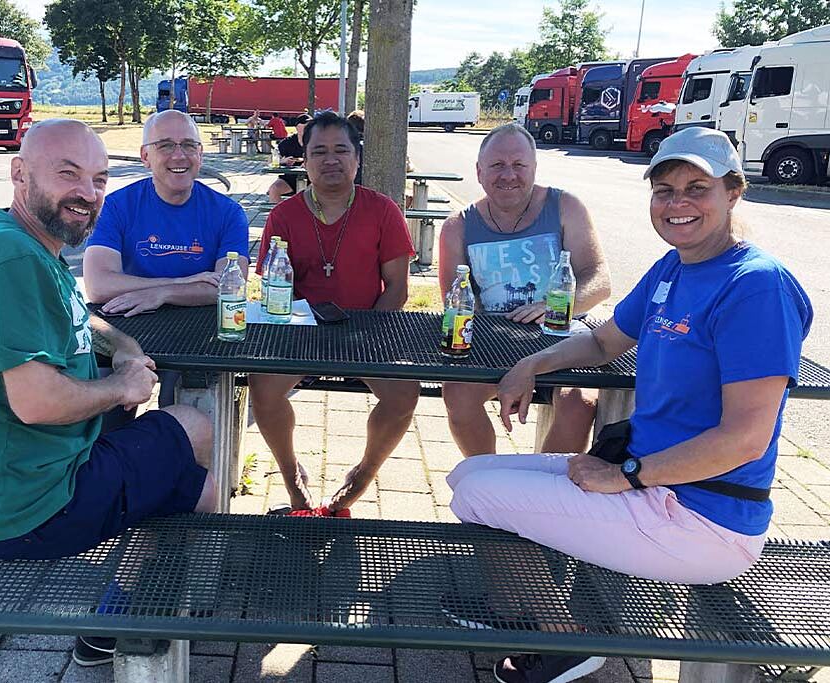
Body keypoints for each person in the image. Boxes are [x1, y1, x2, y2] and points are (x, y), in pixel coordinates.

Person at [447, 127, 812, 683]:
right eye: (664, 190)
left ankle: (567, 640)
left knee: (478, 494)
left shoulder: (756, 287)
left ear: (733, 193)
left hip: (704, 518)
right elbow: (603, 341)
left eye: (697, 188)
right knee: (468, 473)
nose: (677, 204)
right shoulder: (675, 267)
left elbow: (745, 439)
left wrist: (626, 476)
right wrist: (530, 364)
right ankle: (530, 611)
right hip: (655, 490)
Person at [0, 119, 217, 667]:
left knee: (188, 484)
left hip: (11, 486)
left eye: (99, 179)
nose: (87, 193)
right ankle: (134, 611)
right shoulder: (13, 259)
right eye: (68, 174)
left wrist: (127, 347)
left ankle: (121, 609)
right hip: (29, 507)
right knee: (195, 432)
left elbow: (82, 319)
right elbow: (37, 401)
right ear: (19, 173)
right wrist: (122, 386)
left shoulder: (25, 243)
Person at [251, 110, 420, 515]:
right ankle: (293, 480)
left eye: (341, 150)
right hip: (301, 331)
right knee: (263, 388)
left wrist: (366, 334)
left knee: (404, 395)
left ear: (357, 159)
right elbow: (276, 288)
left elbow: (397, 286)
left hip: (368, 329)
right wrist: (299, 330)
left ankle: (360, 479)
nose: (331, 160)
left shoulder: (382, 210)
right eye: (319, 151)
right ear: (303, 161)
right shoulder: (284, 215)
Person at [438, 123, 611, 457]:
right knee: (457, 394)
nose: (508, 175)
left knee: (580, 400)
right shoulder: (458, 225)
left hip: (561, 335)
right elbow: (453, 301)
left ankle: (542, 487)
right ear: (479, 171)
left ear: (534, 168)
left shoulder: (565, 206)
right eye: (497, 166)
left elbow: (599, 278)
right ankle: (489, 479)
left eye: (519, 165)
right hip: (493, 339)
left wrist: (557, 306)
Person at [83, 109, 249, 317]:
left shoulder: (229, 213)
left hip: (206, 330)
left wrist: (164, 293)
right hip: (130, 324)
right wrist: (180, 283)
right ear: (145, 156)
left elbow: (232, 287)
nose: (179, 156)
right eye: (165, 146)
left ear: (200, 155)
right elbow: (99, 286)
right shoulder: (116, 207)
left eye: (189, 145)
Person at [266, 113, 311, 203]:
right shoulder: (286, 143)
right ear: (297, 127)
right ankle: (279, 216)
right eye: (304, 124)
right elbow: (270, 160)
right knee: (274, 189)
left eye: (310, 124)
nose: (308, 127)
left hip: (312, 179)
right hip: (289, 178)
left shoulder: (318, 141)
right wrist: (283, 161)